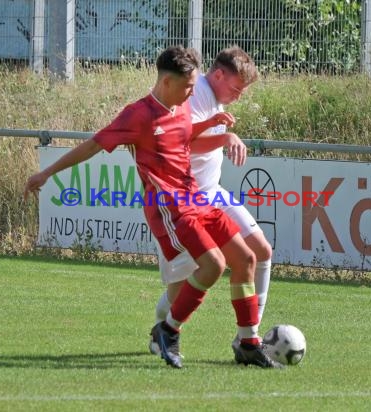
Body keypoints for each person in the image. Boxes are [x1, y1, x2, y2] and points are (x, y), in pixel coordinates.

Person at [24, 45, 281, 369]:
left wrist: (212, 123)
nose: (193, 92)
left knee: (246, 257)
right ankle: (168, 330)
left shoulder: (181, 105)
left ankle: (248, 343)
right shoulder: (138, 115)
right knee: (211, 266)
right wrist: (47, 172)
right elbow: (92, 145)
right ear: (166, 82)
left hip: (197, 197)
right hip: (169, 208)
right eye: (188, 86)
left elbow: (184, 136)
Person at [148, 46, 274, 361]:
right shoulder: (194, 93)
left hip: (211, 193)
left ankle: (249, 337)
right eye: (235, 88)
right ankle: (161, 328)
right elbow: (183, 143)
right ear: (217, 75)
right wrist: (225, 138)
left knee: (259, 252)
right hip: (182, 201)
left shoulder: (215, 97)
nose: (239, 96)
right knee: (181, 287)